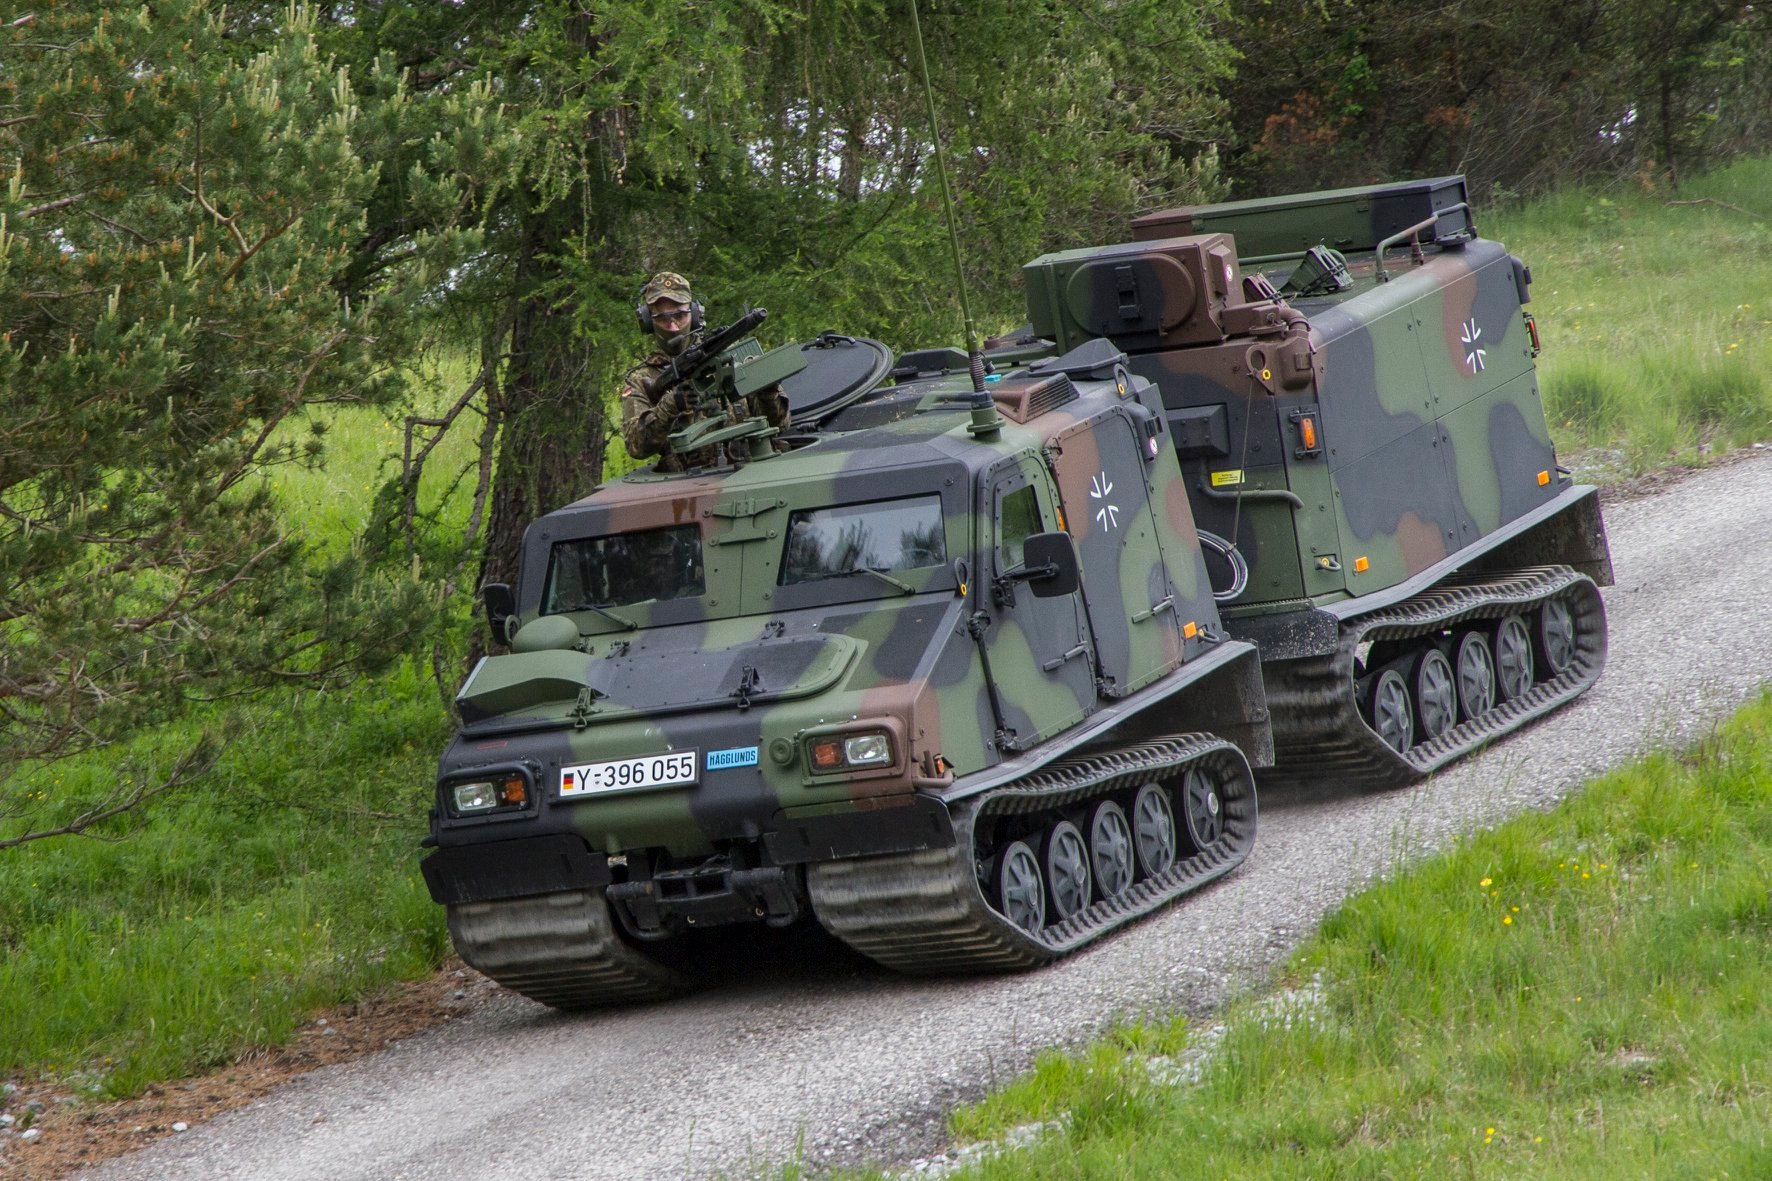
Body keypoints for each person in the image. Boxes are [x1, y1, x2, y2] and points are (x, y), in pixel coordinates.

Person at [619, 271, 792, 472]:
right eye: (662, 317)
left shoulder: (728, 356)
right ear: (648, 321)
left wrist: (767, 390)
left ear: (694, 314)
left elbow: (780, 424)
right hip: (688, 488)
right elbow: (636, 446)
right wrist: (667, 408)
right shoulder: (641, 380)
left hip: (749, 474)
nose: (673, 326)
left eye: (680, 315)